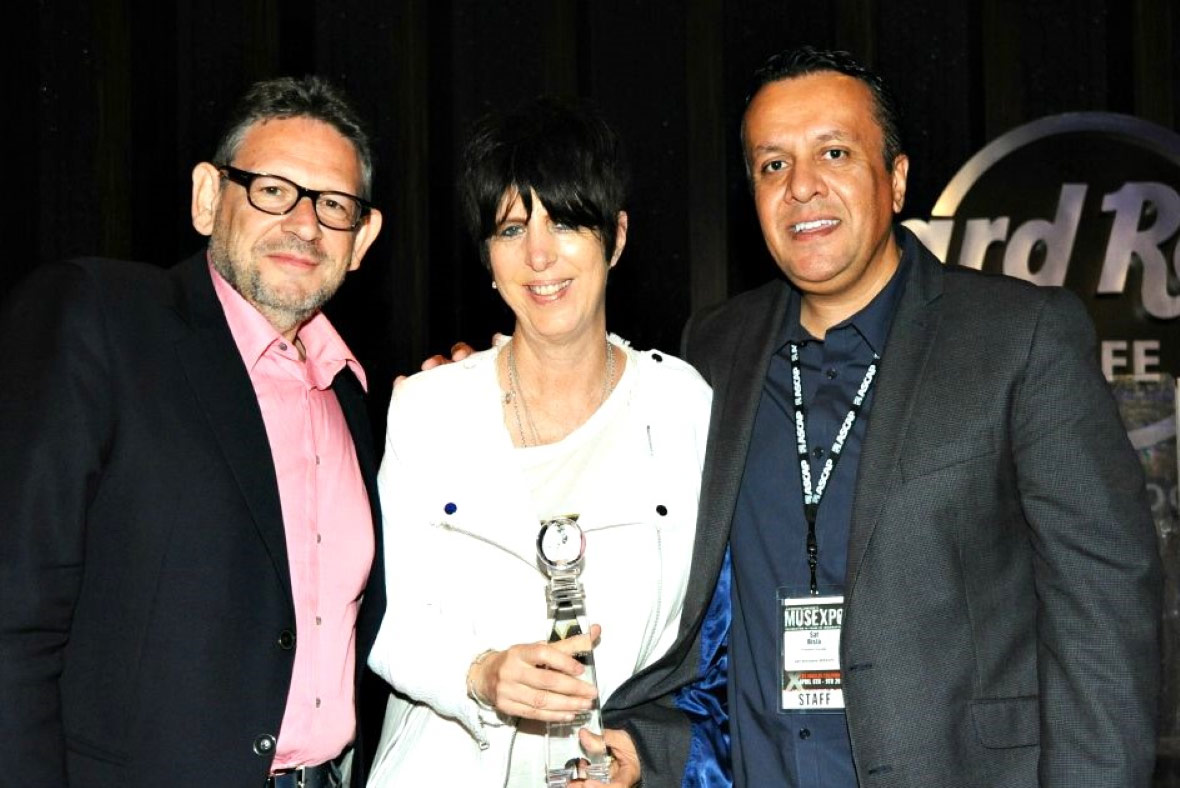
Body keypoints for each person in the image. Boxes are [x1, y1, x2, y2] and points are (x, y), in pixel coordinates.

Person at [602, 46, 1162, 787]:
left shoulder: (1018, 337)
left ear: (896, 180)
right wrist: (495, 390)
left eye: (834, 153)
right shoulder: (715, 347)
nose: (802, 186)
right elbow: (682, 591)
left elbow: (1104, 611)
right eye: (773, 164)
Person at [0, 76, 387, 787]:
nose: (305, 225)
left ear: (362, 239)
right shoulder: (103, 320)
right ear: (208, 197)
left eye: (333, 205)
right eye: (273, 190)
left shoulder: (351, 397)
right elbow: (14, 617)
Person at [364, 97, 712, 787]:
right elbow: (392, 623)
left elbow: (709, 639)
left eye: (567, 222)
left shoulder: (683, 408)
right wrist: (480, 674)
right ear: (488, 257)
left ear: (616, 237)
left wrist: (648, 751)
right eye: (512, 228)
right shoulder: (427, 410)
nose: (540, 254)